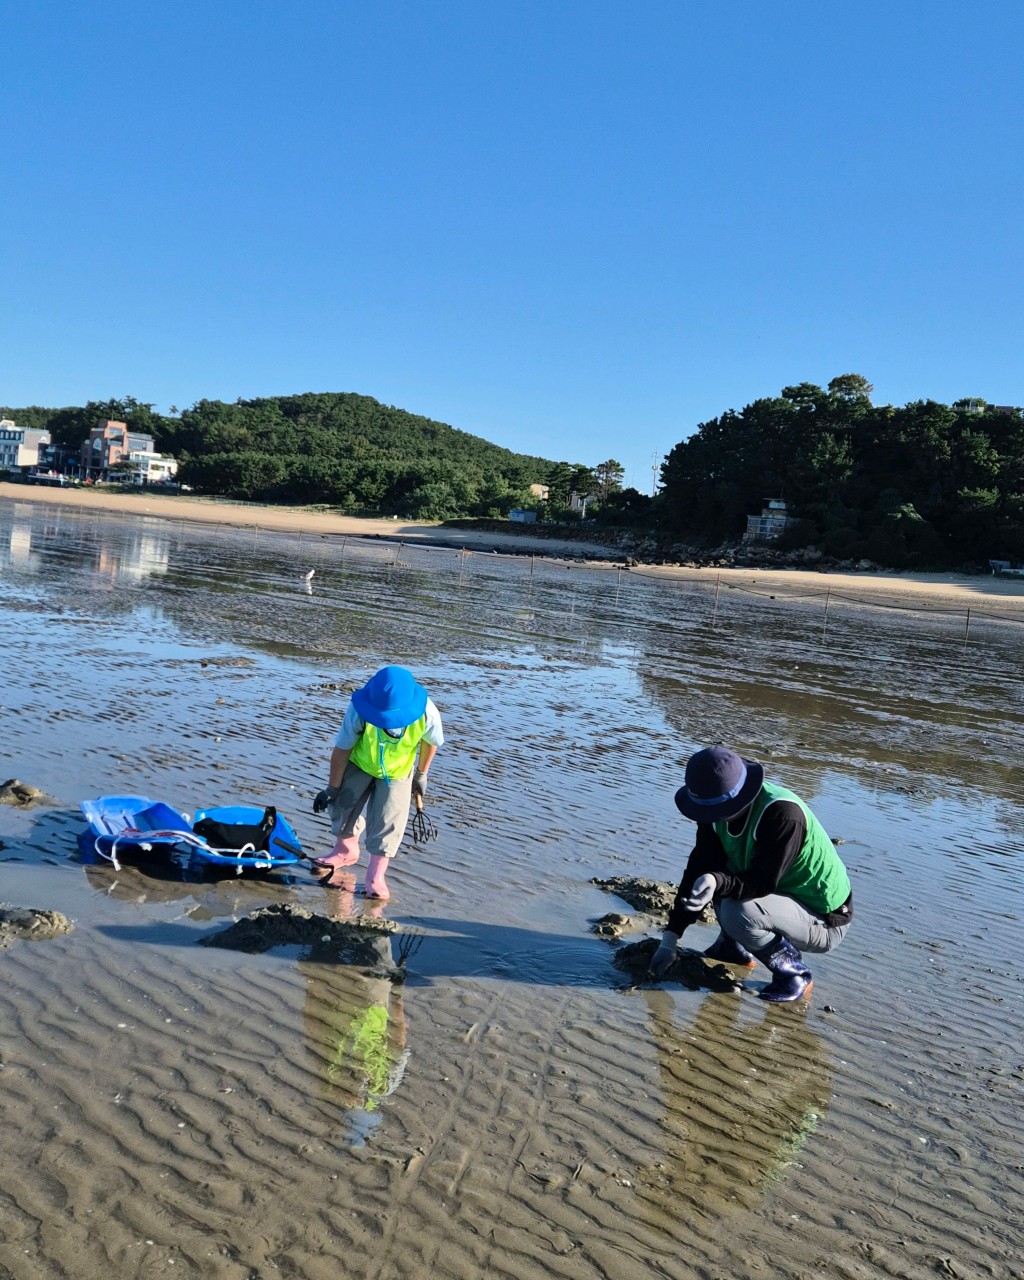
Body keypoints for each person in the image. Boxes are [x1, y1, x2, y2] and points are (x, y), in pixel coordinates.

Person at [648, 746, 852, 1002]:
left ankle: (794, 974)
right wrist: (670, 939)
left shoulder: (782, 815)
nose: (712, 819)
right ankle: (732, 948)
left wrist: (716, 881)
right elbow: (698, 867)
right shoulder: (712, 808)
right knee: (712, 874)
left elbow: (762, 882)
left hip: (822, 919)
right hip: (776, 897)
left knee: (738, 911)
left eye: (717, 812)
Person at [312, 665, 443, 900]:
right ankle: (345, 851)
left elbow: (430, 743)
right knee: (343, 805)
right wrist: (331, 789)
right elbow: (341, 751)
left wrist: (421, 775)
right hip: (359, 763)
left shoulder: (427, 713)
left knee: (389, 819)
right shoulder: (358, 710)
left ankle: (375, 875)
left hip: (398, 771)